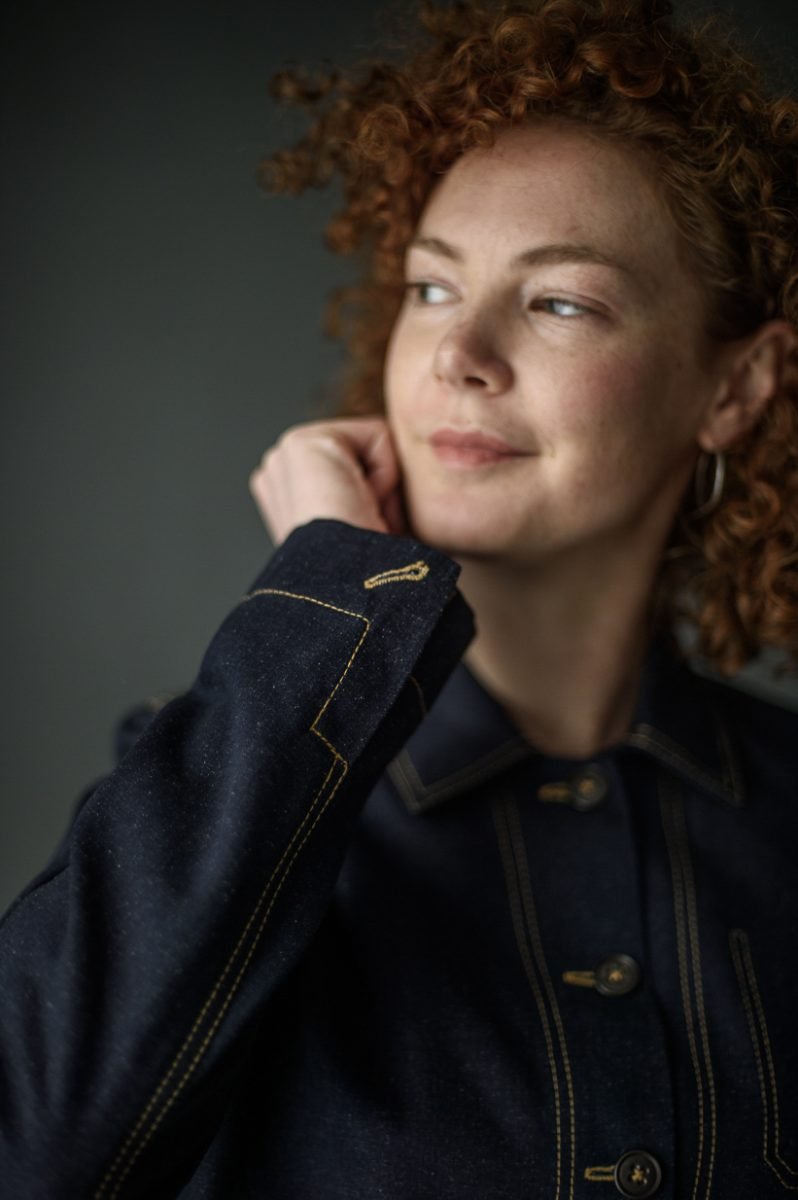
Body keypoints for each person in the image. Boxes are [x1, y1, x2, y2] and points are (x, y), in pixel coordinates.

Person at [1, 0, 797, 1196]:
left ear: (736, 387)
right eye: (432, 288)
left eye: (560, 301)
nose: (457, 354)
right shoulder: (225, 776)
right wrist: (327, 589)